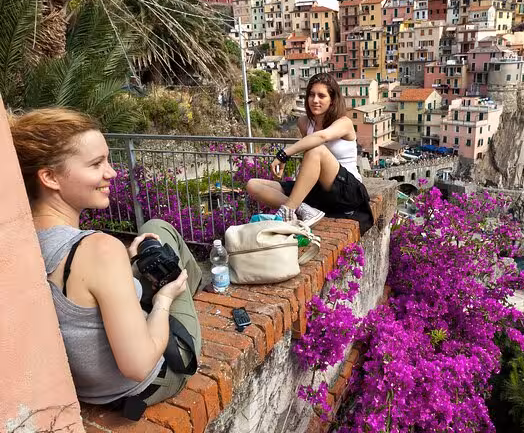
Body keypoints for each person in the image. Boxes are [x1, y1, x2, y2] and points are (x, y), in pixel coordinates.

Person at [9, 108, 202, 418]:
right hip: (147, 382)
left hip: (89, 389)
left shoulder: (19, 242)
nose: (112, 173)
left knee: (147, 240)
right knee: (159, 230)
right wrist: (165, 298)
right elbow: (138, 365)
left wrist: (123, 266)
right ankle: (193, 285)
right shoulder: (100, 250)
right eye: (96, 164)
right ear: (49, 177)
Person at [247, 73, 373, 233]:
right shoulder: (304, 123)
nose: (315, 100)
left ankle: (287, 211)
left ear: (332, 100)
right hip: (320, 190)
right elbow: (310, 149)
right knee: (253, 185)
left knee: (317, 149)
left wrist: (284, 154)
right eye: (311, 95)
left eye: (321, 96)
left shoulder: (344, 123)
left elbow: (321, 137)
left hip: (348, 190)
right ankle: (304, 210)